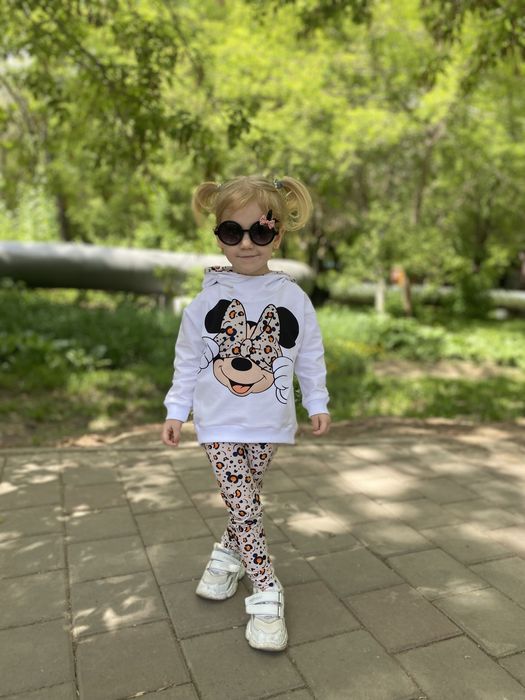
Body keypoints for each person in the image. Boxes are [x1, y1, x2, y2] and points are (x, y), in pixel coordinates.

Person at [161, 175, 330, 652]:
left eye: (260, 230)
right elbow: (187, 359)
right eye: (232, 231)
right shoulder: (205, 301)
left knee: (244, 499)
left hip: (268, 420)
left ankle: (226, 556)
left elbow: (310, 354)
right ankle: (266, 587)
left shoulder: (293, 298)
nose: (246, 243)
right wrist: (176, 409)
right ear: (219, 236)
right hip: (216, 420)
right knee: (244, 501)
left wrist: (316, 400)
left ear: (277, 235)